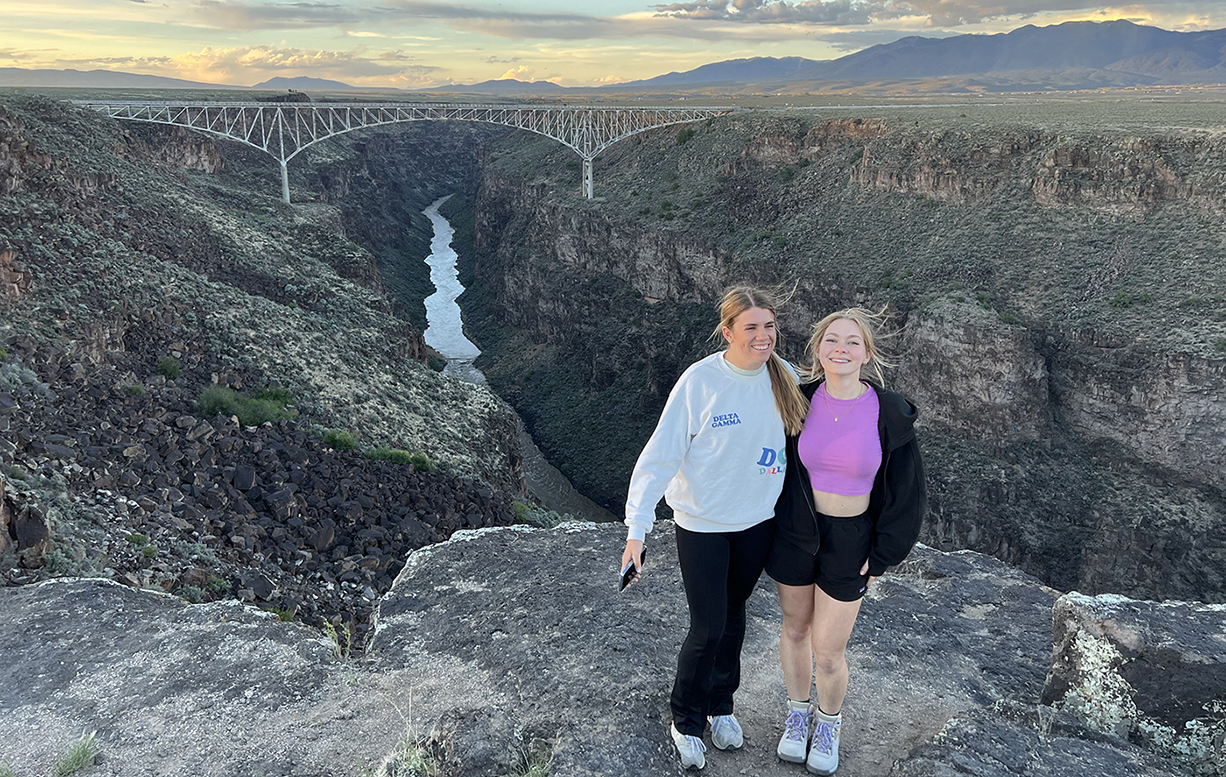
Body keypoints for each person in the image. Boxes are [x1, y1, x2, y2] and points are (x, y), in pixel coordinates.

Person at [620, 286, 808, 771]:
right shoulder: (701, 381)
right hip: (702, 525)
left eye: (769, 327)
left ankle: (721, 706)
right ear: (727, 332)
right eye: (751, 328)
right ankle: (686, 719)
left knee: (734, 616)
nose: (764, 336)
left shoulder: (782, 375)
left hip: (757, 524)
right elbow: (660, 456)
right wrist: (636, 532)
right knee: (707, 627)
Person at [767, 307, 926, 775]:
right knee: (795, 630)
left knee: (829, 650)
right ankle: (797, 715)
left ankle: (829, 722)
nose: (842, 348)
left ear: (867, 353)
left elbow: (907, 492)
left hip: (851, 539)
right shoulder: (797, 400)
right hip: (796, 532)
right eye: (832, 340)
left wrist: (880, 555)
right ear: (818, 350)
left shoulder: (889, 413)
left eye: (853, 342)